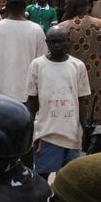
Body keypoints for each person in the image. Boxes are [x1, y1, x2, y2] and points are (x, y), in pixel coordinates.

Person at [27, 28, 91, 178]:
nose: (57, 45)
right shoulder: (37, 65)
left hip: (71, 134)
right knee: (42, 175)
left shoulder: (78, 66)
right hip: (47, 133)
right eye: (53, 42)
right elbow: (32, 100)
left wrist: (84, 128)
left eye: (61, 41)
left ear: (67, 42)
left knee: (67, 179)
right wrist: (30, 130)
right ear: (47, 43)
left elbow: (81, 101)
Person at [0, 0, 47, 104]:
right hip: (27, 96)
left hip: (0, 96)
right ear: (25, 5)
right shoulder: (37, 30)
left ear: (6, 6)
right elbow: (41, 66)